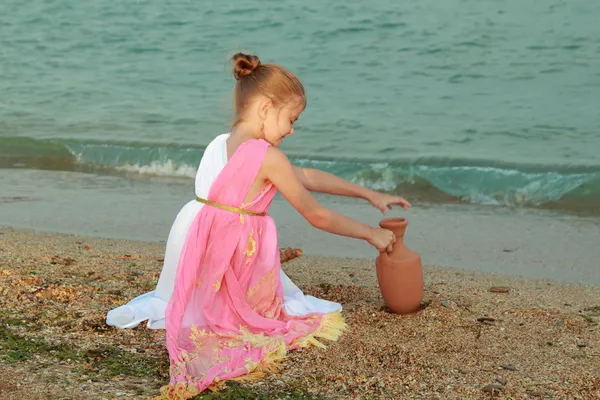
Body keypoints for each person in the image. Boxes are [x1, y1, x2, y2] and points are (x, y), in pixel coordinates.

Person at [125, 53, 410, 399]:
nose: (291, 129)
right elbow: (316, 215)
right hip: (225, 254)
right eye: (291, 118)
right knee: (283, 315)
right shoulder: (267, 157)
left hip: (190, 244)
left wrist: (366, 193)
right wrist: (371, 233)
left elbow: (304, 177)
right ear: (265, 108)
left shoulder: (220, 142)